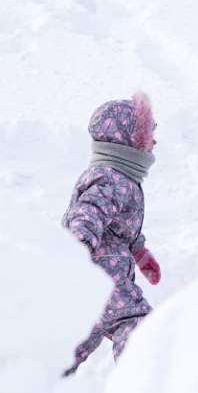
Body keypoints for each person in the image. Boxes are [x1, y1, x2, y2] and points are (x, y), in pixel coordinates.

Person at [62, 93, 164, 374]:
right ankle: (144, 384)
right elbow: (86, 215)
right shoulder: (110, 178)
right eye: (148, 134)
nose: (154, 142)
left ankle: (38, 379)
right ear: (127, 141)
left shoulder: (120, 178)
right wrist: (77, 249)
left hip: (100, 275)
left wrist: (140, 253)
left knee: (72, 344)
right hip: (103, 275)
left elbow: (119, 227)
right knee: (136, 325)